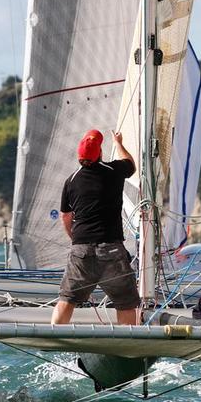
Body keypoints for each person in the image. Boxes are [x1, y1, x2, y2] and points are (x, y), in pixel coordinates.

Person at [51, 129, 140, 325]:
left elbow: (66, 215)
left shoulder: (71, 181)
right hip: (111, 248)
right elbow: (131, 165)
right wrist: (118, 143)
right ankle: (127, 350)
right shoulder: (114, 171)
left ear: (79, 155)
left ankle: (54, 340)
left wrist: (75, 239)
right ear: (99, 153)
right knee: (125, 303)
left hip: (81, 248)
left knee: (67, 298)